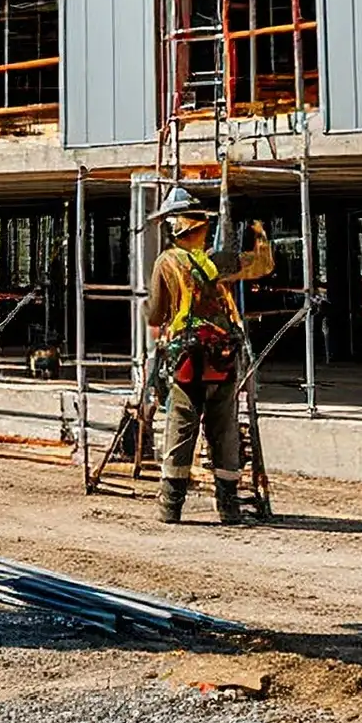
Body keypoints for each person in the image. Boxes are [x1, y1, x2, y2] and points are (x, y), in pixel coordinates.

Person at [144, 185, 273, 526]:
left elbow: (156, 315)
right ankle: (228, 508)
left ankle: (170, 507)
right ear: (202, 227)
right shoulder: (219, 262)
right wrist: (259, 230)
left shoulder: (167, 262)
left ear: (176, 227)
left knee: (181, 427)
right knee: (224, 430)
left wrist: (152, 313)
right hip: (224, 357)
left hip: (188, 359)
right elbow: (264, 264)